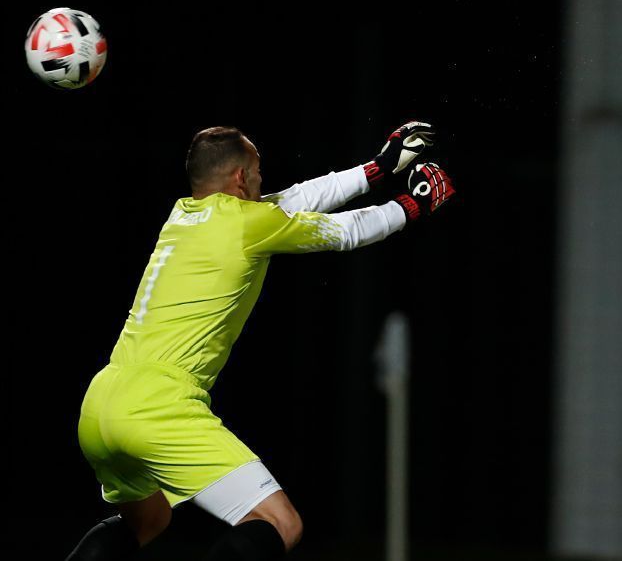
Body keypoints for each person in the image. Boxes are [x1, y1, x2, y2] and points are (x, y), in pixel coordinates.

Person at [66, 123, 454, 561]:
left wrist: (378, 168)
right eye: (257, 170)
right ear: (240, 178)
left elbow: (293, 201)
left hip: (101, 402)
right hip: (159, 405)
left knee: (148, 520)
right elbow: (345, 231)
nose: (262, 179)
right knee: (279, 523)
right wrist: (413, 205)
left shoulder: (182, 215)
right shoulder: (247, 226)